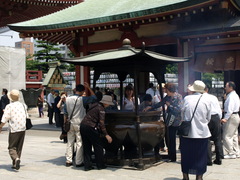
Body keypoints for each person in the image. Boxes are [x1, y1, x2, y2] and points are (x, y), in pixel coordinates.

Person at [144, 83, 183, 162]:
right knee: (169, 139)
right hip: (169, 120)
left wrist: (170, 105)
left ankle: (173, 157)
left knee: (173, 139)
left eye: (166, 90)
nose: (165, 91)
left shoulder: (178, 97)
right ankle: (171, 155)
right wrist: (150, 107)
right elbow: (160, 103)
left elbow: (179, 109)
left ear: (170, 90)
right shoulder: (167, 97)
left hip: (176, 121)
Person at [181, 80, 211, 180]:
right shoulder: (207, 100)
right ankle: (199, 177)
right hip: (202, 133)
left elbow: (182, 114)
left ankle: (185, 176)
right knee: (201, 156)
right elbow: (208, 117)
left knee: (186, 156)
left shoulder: (187, 99)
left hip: (188, 133)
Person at [64, 83, 96, 167]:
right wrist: (89, 87)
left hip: (70, 122)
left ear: (75, 90)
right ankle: (78, 161)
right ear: (82, 91)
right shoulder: (82, 99)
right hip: (79, 123)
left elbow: (65, 113)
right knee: (79, 142)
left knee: (70, 142)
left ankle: (68, 160)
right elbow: (94, 98)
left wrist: (65, 123)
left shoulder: (67, 99)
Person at [80, 95, 113, 171]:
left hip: (83, 125)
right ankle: (100, 164)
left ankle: (87, 166)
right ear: (106, 103)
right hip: (91, 127)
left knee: (87, 146)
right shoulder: (101, 109)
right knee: (98, 146)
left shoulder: (94, 105)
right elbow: (102, 123)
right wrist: (106, 135)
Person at [0, 89, 28, 170]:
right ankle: (15, 163)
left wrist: (0, 126)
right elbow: (26, 116)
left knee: (11, 147)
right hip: (22, 128)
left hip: (14, 129)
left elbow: (4, 118)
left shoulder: (9, 106)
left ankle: (16, 159)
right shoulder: (23, 105)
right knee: (19, 146)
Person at [204, 85, 223, 165]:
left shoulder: (201, 98)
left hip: (206, 118)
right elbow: (218, 109)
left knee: (207, 139)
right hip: (215, 117)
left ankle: (208, 160)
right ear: (207, 90)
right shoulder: (213, 97)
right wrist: (219, 118)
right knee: (217, 138)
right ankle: (219, 158)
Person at [221, 81, 240, 159]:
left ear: (230, 87)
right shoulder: (234, 95)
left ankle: (230, 152)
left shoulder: (231, 97)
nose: (225, 88)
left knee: (227, 136)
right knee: (234, 135)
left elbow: (230, 109)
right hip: (235, 116)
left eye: (226, 86)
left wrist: (225, 118)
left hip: (231, 116)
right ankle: (236, 152)